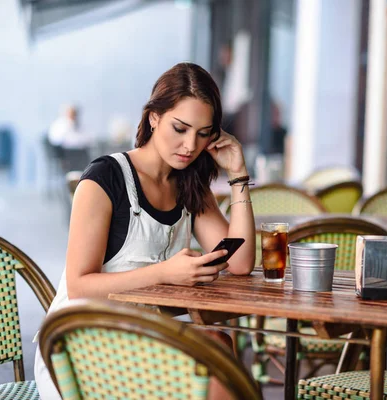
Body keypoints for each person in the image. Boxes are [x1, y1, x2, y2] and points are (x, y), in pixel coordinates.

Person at [34, 63, 256, 399]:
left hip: (140, 336)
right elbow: (80, 286)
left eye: (203, 133)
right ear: (154, 117)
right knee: (215, 369)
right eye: (179, 128)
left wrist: (239, 174)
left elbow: (239, 263)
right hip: (78, 343)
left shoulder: (189, 184)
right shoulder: (104, 179)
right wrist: (166, 272)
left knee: (220, 347)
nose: (189, 145)